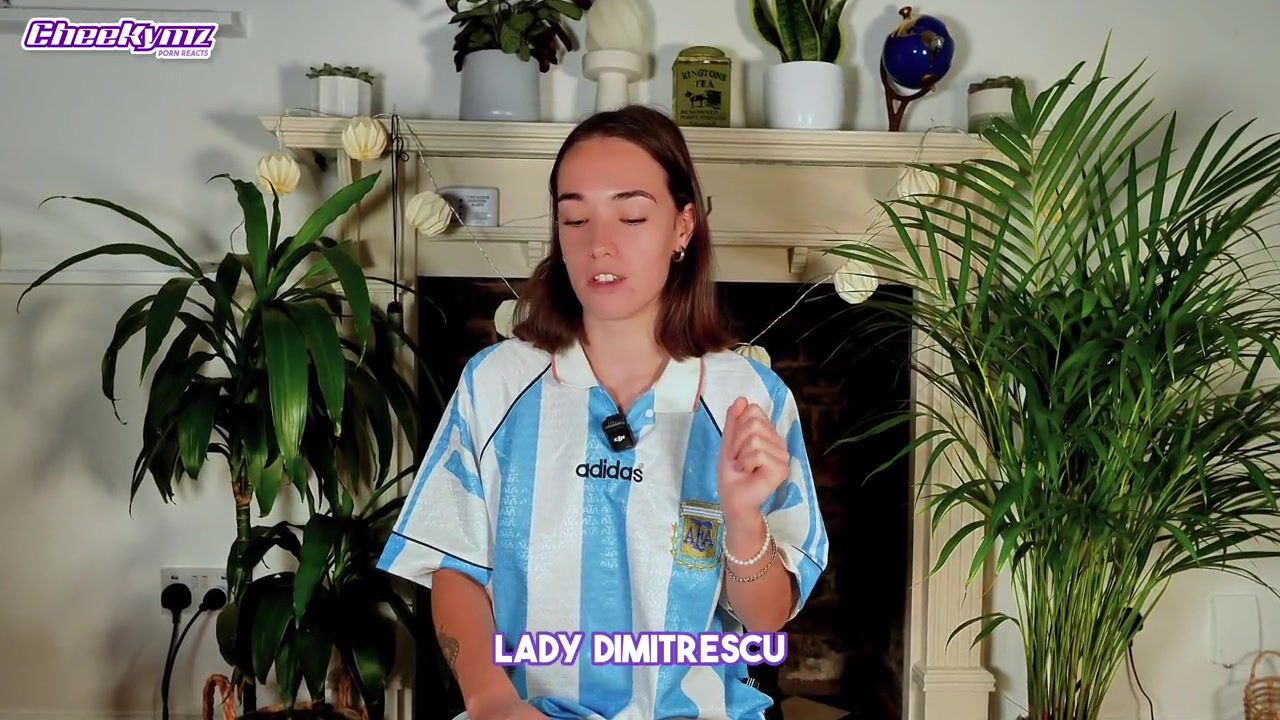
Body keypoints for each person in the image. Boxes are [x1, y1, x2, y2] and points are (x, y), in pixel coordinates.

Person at [376, 104, 829, 720]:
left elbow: (767, 618)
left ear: (683, 227)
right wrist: (491, 700)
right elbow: (453, 565)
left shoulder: (749, 397)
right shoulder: (497, 382)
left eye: (632, 215)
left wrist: (743, 517)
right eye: (575, 218)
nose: (599, 245)